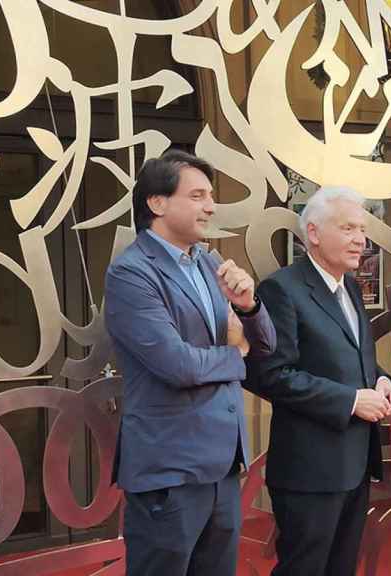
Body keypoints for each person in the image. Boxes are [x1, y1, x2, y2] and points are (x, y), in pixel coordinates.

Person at [104, 150, 276, 576]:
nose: (210, 206)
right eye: (197, 195)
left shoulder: (210, 262)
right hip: (169, 470)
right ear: (157, 203)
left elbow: (267, 346)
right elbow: (177, 364)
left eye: (210, 196)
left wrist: (250, 306)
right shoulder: (131, 273)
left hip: (221, 465)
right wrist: (236, 353)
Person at [247, 186, 391, 576]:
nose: (360, 240)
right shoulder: (282, 289)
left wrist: (382, 382)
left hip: (353, 463)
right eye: (348, 228)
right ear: (313, 233)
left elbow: (355, 360)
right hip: (309, 469)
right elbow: (270, 374)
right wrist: (351, 400)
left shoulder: (348, 285)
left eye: (362, 230)